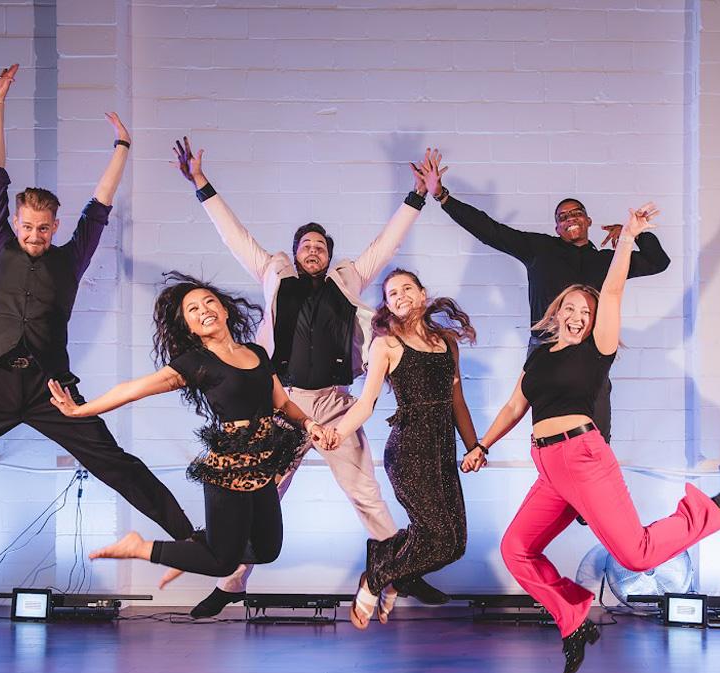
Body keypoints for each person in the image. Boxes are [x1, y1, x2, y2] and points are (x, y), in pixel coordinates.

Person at [172, 136, 450, 618]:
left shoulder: (351, 280)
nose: (312, 251)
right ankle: (232, 580)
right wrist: (201, 182)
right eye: (306, 245)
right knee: (261, 488)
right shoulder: (274, 274)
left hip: (337, 402)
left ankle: (402, 571)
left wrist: (417, 196)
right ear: (296, 252)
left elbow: (387, 244)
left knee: (366, 493)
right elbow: (234, 235)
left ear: (330, 254)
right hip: (284, 402)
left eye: (320, 246)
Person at [0, 64, 196, 545]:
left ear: (55, 226)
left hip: (52, 389)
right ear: (15, 222)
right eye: (27, 226)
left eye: (43, 228)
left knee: (113, 462)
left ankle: (188, 535)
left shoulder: (69, 259)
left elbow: (99, 206)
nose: (34, 235)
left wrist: (122, 148)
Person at [460, 203, 720, 673]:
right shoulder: (539, 357)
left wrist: (627, 236)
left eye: (587, 311)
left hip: (584, 457)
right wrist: (482, 444)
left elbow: (614, 288)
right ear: (557, 310)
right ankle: (575, 616)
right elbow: (513, 408)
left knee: (636, 554)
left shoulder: (598, 350)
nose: (579, 315)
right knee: (516, 549)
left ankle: (715, 511)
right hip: (548, 467)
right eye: (572, 307)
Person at [48, 275, 328, 580]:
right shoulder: (196, 363)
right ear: (190, 328)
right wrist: (80, 410)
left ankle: (198, 550)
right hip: (229, 473)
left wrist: (310, 423)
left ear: (224, 311)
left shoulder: (256, 353)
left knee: (267, 550)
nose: (203, 309)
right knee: (223, 563)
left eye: (209, 302)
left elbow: (283, 404)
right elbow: (132, 389)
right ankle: (141, 547)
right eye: (192, 309)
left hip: (263, 466)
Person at [419, 149, 671, 445]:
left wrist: (635, 234)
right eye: (562, 217)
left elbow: (658, 262)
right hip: (546, 348)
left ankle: (594, 476)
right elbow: (490, 231)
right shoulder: (539, 249)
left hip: (591, 349)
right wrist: (442, 196)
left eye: (576, 213)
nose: (569, 219)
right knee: (552, 433)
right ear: (557, 227)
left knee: (596, 432)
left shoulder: (607, 261)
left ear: (589, 221)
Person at [325, 269, 482, 628]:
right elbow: (365, 405)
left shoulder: (446, 342)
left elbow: (458, 401)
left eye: (406, 288)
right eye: (391, 293)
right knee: (439, 540)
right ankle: (375, 579)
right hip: (409, 452)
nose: (399, 296)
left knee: (455, 544)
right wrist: (337, 432)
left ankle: (385, 557)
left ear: (423, 294)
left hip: (443, 451)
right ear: (388, 305)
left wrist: (475, 446)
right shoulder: (387, 344)